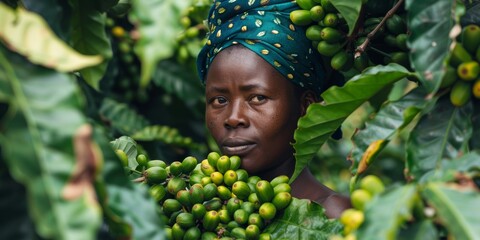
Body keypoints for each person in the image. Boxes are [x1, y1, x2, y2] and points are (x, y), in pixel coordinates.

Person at [196, 0, 351, 218]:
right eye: (219, 100)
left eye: (257, 98)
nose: (233, 118)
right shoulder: (200, 211)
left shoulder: (333, 216)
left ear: (307, 107)